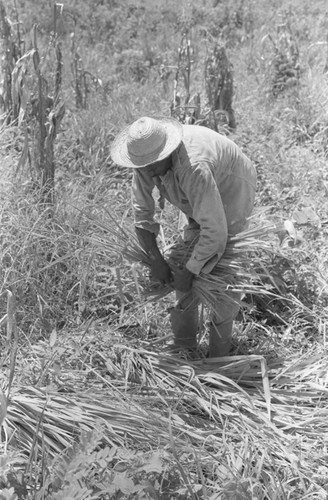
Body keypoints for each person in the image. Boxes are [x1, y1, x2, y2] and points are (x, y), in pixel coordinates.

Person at [110, 116, 257, 357]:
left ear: (166, 152)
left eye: (151, 165)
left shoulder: (193, 167)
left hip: (232, 185)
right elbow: (142, 215)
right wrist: (157, 260)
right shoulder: (146, 161)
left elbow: (215, 231)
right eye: (142, 166)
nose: (146, 172)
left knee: (221, 274)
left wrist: (190, 272)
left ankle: (218, 358)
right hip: (199, 188)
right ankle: (184, 348)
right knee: (184, 259)